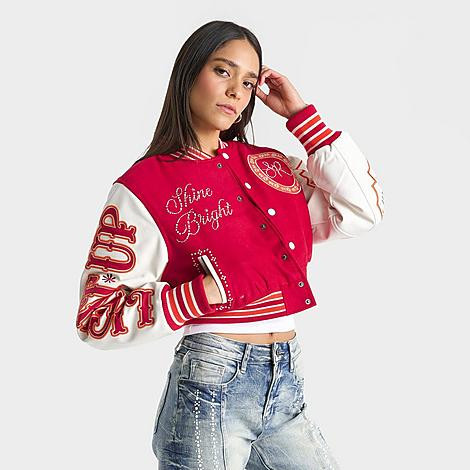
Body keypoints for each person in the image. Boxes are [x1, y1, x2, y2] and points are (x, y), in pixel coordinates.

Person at [75, 20, 385, 469]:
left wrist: (302, 118)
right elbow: (96, 317)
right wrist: (198, 295)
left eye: (249, 82)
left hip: (286, 380)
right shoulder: (143, 186)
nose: (236, 91)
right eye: (222, 71)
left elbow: (362, 210)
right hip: (211, 385)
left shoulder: (270, 166)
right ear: (189, 73)